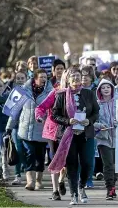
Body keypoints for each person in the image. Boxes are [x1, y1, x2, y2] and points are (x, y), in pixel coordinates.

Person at [50, 67, 99, 205]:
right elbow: (54, 115)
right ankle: (74, 195)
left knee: (87, 164)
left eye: (78, 76)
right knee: (72, 165)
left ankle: (82, 186)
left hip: (86, 134)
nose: (76, 79)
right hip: (68, 135)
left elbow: (96, 112)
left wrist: (89, 120)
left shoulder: (89, 94)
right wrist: (67, 121)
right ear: (68, 79)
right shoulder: (61, 95)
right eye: (73, 77)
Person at [6, 69, 53, 191]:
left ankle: (39, 181)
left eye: (45, 77)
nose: (43, 79)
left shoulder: (50, 92)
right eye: (41, 77)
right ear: (35, 78)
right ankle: (30, 181)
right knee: (30, 154)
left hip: (42, 130)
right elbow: (14, 110)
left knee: (40, 157)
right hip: (26, 129)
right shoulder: (23, 91)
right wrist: (9, 127)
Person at [35, 70, 69, 200]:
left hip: (68, 130)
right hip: (53, 130)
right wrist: (39, 117)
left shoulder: (75, 93)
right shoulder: (55, 92)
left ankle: (61, 178)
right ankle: (55, 190)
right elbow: (41, 107)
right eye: (65, 80)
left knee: (65, 161)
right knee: (55, 159)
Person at [94, 79, 118, 200]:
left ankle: (113, 187)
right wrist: (99, 126)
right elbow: (92, 120)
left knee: (115, 165)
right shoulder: (96, 104)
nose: (106, 89)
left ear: (112, 89)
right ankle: (109, 189)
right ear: (99, 90)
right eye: (103, 88)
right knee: (108, 164)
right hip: (103, 138)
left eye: (108, 87)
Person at [6, 71, 27, 185]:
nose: (20, 80)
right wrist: (9, 127)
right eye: (18, 78)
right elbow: (12, 112)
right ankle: (17, 175)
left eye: (22, 78)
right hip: (16, 126)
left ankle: (29, 173)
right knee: (18, 150)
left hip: (28, 126)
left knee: (27, 150)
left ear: (26, 79)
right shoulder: (13, 93)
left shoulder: (30, 92)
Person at [80, 65, 99, 188]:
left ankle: (88, 180)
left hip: (92, 125)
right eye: (82, 76)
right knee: (79, 155)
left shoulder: (96, 90)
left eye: (87, 76)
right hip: (77, 126)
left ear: (91, 77)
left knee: (90, 155)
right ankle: (80, 178)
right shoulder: (75, 89)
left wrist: (92, 120)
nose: (84, 78)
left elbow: (97, 109)